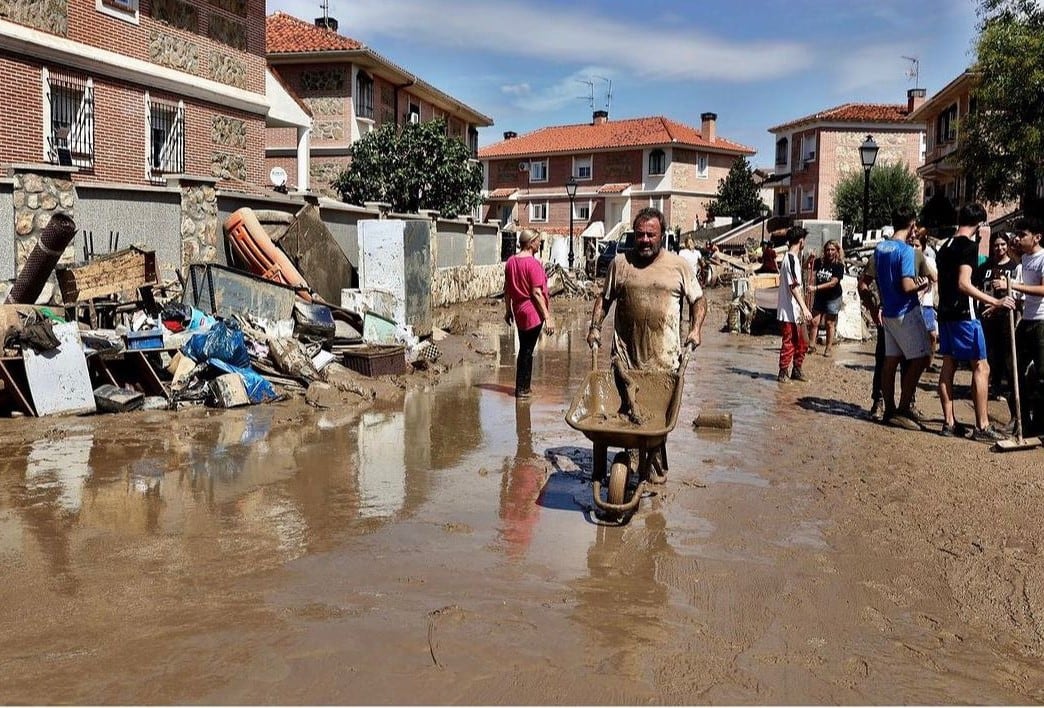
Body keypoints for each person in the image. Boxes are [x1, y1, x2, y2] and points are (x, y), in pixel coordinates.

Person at [587, 207, 706, 372]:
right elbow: (605, 299)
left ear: (661, 237)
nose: (644, 240)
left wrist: (695, 330)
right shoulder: (620, 264)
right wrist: (595, 327)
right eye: (640, 234)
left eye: (651, 235)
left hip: (666, 364)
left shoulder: (679, 266)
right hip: (624, 364)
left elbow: (698, 300)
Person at [935, 203, 1015, 441]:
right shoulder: (969, 246)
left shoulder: (945, 245)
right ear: (979, 224)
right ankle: (982, 425)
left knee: (948, 365)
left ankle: (949, 422)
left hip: (946, 313)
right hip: (964, 314)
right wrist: (996, 301)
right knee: (982, 366)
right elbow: (964, 283)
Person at [858, 207, 932, 430]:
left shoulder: (880, 249)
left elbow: (865, 283)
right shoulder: (907, 251)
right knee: (922, 358)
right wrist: (924, 284)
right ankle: (902, 408)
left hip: (887, 313)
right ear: (911, 226)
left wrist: (873, 307)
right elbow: (907, 285)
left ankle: (888, 409)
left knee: (890, 362)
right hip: (905, 312)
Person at [504, 229, 555, 399]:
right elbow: (536, 293)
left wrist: (508, 310)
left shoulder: (511, 262)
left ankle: (522, 387)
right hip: (532, 312)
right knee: (527, 350)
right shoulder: (533, 264)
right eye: (538, 241)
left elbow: (507, 290)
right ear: (531, 242)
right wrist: (547, 317)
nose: (540, 244)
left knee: (525, 349)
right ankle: (523, 389)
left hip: (519, 311)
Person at [1007, 217, 1044, 435]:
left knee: (1041, 373)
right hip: (1027, 320)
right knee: (1014, 368)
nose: (1018, 239)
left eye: (1023, 235)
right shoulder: (1025, 260)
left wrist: (1016, 286)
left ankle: (1040, 421)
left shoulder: (1042, 258)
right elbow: (1023, 293)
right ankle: (1021, 419)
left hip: (1041, 321)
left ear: (1037, 237)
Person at [975, 231, 1021, 403]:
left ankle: (1008, 389)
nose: (999, 248)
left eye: (1003, 244)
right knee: (989, 352)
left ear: (1007, 245)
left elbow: (1017, 295)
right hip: (986, 316)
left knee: (1007, 353)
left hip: (1005, 316)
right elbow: (975, 286)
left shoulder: (1014, 267)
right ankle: (992, 387)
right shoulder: (985, 267)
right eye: (996, 245)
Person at [776, 226, 813, 382]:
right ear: (801, 241)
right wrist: (804, 308)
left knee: (803, 341)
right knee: (789, 342)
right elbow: (793, 286)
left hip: (796, 310)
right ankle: (783, 372)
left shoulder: (794, 260)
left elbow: (795, 278)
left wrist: (807, 263)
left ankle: (797, 369)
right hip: (789, 310)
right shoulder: (790, 259)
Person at [806, 239, 845, 356]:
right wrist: (810, 259)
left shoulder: (838, 265)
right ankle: (811, 345)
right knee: (814, 321)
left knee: (829, 323)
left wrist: (815, 288)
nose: (830, 252)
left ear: (837, 251)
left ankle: (828, 348)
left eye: (832, 249)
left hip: (833, 298)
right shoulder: (820, 262)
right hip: (820, 297)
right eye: (828, 249)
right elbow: (806, 267)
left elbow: (833, 282)